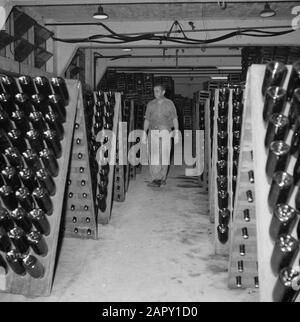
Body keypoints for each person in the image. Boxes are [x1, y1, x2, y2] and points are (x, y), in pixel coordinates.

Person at [143, 84, 179, 187]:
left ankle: (162, 178)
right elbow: (147, 120)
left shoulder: (169, 104)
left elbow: (174, 119)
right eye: (154, 91)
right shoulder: (150, 104)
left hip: (165, 132)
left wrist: (176, 132)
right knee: (153, 155)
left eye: (158, 91)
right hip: (153, 132)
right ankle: (156, 179)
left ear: (163, 92)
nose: (155, 93)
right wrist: (144, 133)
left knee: (164, 155)